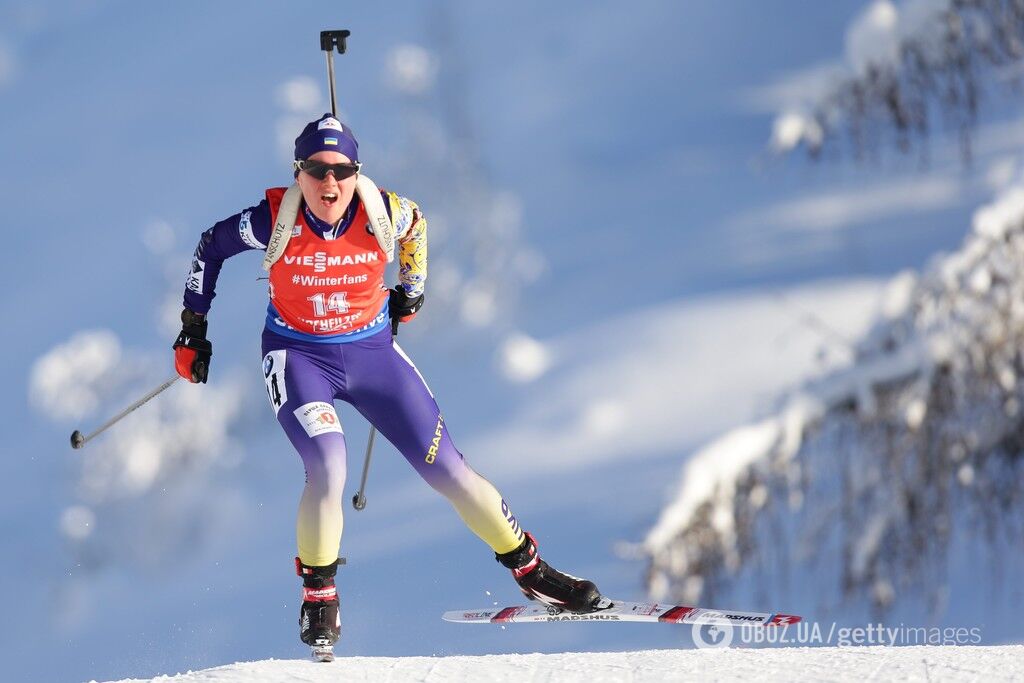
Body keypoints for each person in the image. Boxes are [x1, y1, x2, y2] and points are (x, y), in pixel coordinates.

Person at [172, 114, 604, 650]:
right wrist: (193, 330)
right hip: (298, 356)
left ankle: (531, 570)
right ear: (298, 172)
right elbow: (208, 246)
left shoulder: (384, 212)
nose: (329, 184)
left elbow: (417, 225)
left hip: (373, 354)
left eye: (342, 170)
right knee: (329, 463)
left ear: (357, 172)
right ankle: (319, 595)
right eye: (316, 170)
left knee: (450, 470)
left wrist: (412, 288)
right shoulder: (271, 220)